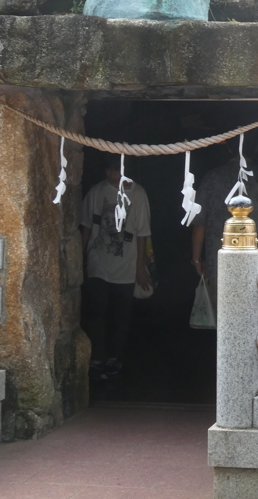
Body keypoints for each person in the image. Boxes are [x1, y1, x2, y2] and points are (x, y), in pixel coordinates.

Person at [82, 153, 152, 381]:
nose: (113, 176)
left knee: (122, 314)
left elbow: (143, 233)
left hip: (127, 262)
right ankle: (98, 357)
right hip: (98, 260)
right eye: (110, 171)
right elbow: (86, 227)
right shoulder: (96, 192)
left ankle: (114, 356)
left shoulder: (138, 194)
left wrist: (140, 267)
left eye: (117, 171)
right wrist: (80, 259)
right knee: (96, 311)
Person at [191, 141, 258, 304]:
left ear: (227, 148)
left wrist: (197, 258)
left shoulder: (212, 178)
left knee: (223, 317)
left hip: (219, 264)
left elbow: (200, 224)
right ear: (256, 147)